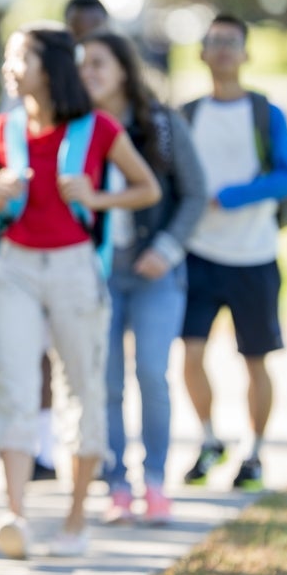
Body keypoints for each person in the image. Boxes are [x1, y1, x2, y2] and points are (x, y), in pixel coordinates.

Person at [0, 22, 160, 558]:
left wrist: (97, 199)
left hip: (76, 267)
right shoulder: (1, 130)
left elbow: (148, 188)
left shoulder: (97, 129)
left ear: (48, 68)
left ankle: (75, 524)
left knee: (83, 388)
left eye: (18, 58)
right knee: (14, 384)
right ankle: (15, 516)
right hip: (15, 269)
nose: (10, 68)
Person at [78, 31, 207, 525]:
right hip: (99, 274)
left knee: (152, 374)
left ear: (124, 71)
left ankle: (155, 481)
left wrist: (168, 249)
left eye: (97, 63)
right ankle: (117, 487)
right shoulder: (76, 129)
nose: (88, 73)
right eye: (83, 65)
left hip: (156, 270)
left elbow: (195, 194)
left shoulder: (164, 125)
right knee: (106, 383)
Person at [178, 14, 287, 492]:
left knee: (254, 359)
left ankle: (255, 453)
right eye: (215, 42)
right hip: (198, 255)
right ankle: (209, 439)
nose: (224, 49)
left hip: (254, 257)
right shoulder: (187, 115)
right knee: (189, 354)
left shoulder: (266, 114)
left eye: (233, 42)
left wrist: (231, 196)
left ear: (247, 53)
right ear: (203, 53)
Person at [25, 0, 113, 482]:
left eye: (94, 31)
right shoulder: (31, 96)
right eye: (77, 31)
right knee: (36, 353)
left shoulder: (108, 107)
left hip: (93, 248)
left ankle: (93, 452)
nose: (85, 44)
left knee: (88, 359)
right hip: (32, 247)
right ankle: (42, 449)